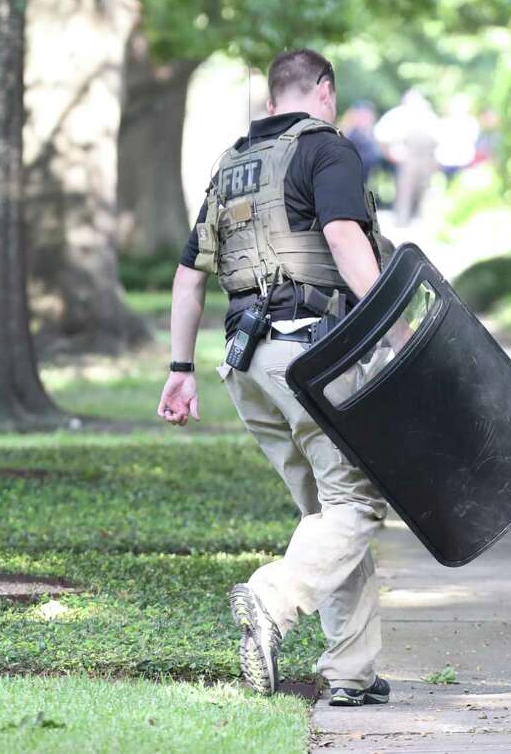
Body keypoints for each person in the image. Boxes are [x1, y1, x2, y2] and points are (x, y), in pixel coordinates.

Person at [156, 48, 393, 708]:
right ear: (325, 91)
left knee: (328, 512)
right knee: (356, 503)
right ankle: (272, 600)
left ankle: (351, 668)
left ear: (270, 101)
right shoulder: (328, 149)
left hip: (246, 366)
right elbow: (345, 237)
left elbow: (189, 275)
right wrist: (392, 328)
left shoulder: (232, 163)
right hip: (309, 356)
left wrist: (180, 369)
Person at [374, 89, 439, 225]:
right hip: (408, 159)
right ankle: (402, 221)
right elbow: (381, 135)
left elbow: (439, 139)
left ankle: (423, 221)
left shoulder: (428, 117)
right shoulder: (398, 115)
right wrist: (391, 154)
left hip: (426, 158)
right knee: (405, 192)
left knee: (425, 191)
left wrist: (435, 160)